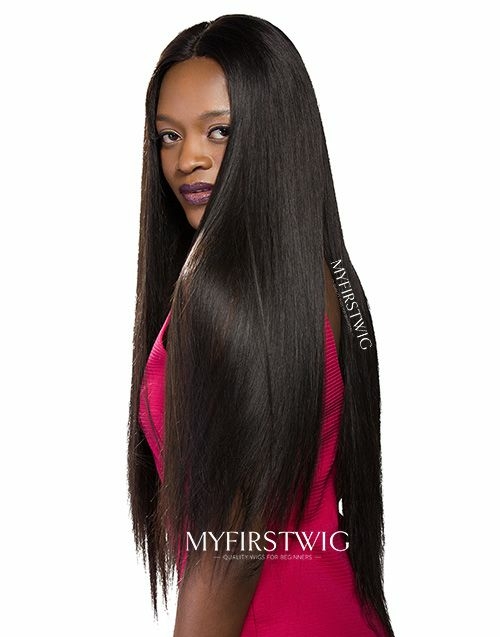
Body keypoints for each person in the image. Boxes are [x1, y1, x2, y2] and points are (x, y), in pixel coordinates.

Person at [127, 14, 395, 637]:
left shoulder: (221, 297)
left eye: (218, 130)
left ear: (273, 132)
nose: (188, 158)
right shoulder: (329, 278)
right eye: (168, 136)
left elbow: (231, 550)